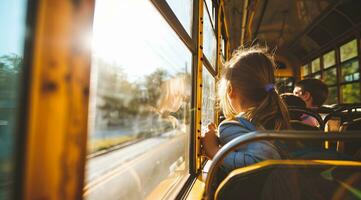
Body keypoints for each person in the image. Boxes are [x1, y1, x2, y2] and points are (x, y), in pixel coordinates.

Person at [201, 47, 290, 173]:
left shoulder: (229, 127)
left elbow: (262, 161)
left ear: (230, 89)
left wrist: (214, 151)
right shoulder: (276, 117)